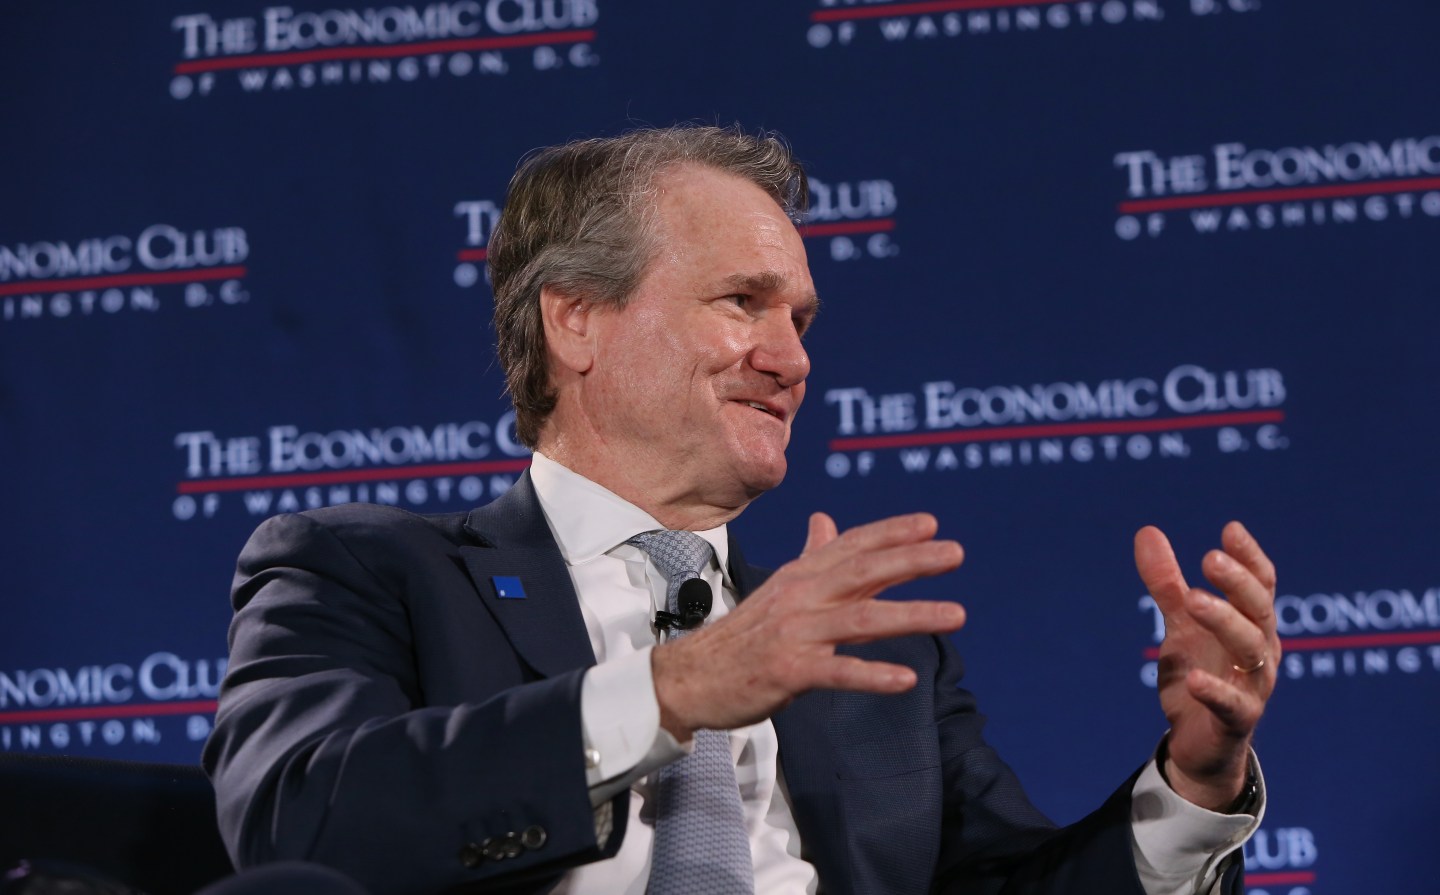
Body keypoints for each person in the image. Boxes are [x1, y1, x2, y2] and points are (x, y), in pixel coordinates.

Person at [203, 126, 1281, 894]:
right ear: (576, 321)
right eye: (744, 303)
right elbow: (300, 825)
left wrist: (1194, 783)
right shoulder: (364, 569)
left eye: (801, 320)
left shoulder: (867, 654)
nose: (792, 359)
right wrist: (676, 688)